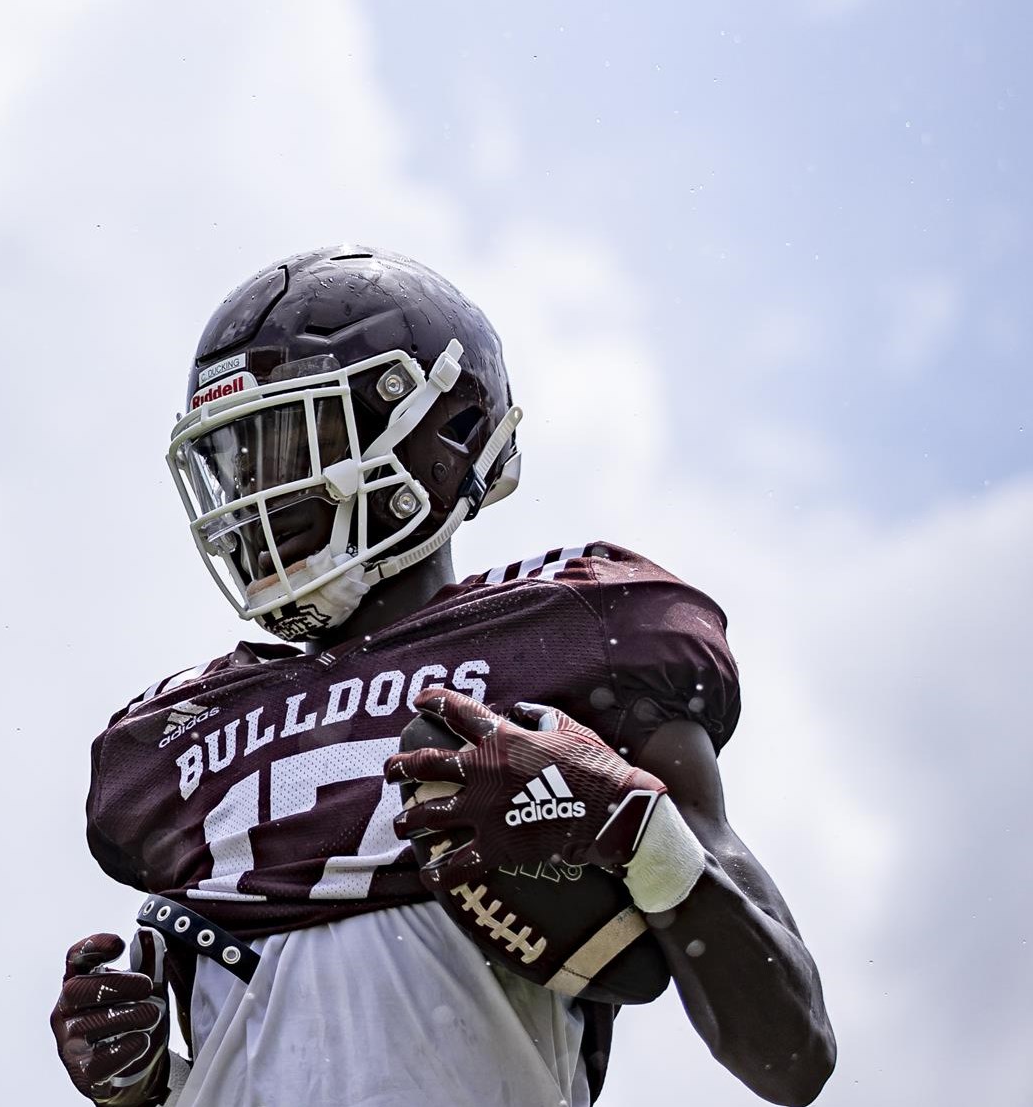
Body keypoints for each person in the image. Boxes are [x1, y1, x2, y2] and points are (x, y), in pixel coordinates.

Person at [49, 248, 836, 1107]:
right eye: (236, 457)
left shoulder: (573, 634)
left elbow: (792, 1055)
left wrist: (633, 829)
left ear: (438, 433)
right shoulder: (165, 741)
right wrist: (158, 1083)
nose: (252, 491)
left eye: (282, 441)